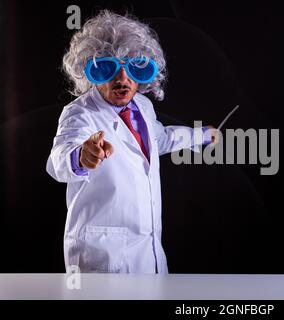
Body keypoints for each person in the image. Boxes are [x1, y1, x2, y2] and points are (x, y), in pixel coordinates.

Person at [46, 10, 217, 273]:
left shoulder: (143, 106)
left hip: (148, 253)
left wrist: (201, 135)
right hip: (101, 259)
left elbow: (159, 139)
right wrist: (82, 156)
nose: (122, 79)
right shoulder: (79, 113)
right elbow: (59, 159)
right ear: (91, 71)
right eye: (108, 68)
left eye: (133, 67)